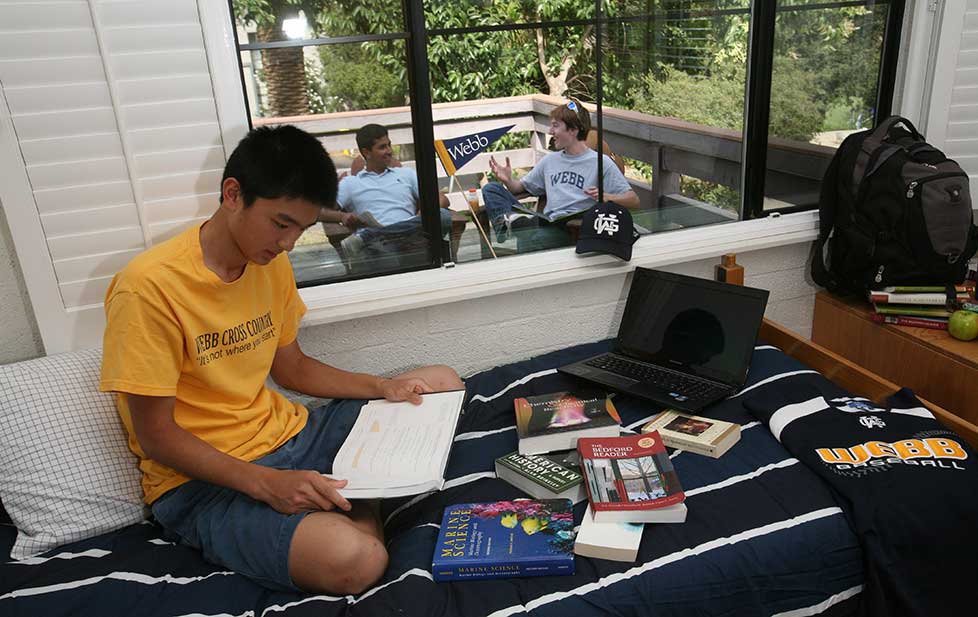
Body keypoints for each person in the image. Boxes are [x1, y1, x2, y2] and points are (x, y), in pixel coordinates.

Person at [98, 125, 464, 595]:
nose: (289, 243)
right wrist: (266, 484)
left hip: (292, 436)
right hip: (205, 483)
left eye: (303, 229)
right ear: (233, 194)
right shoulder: (147, 288)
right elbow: (157, 437)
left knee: (442, 380)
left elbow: (292, 370)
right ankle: (365, 498)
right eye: (281, 223)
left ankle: (353, 495)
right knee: (359, 561)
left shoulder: (270, 264)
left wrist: (382, 386)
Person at [483, 99, 639, 252]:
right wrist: (508, 180)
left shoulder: (600, 163)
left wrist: (607, 197)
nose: (551, 132)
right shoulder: (550, 160)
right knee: (491, 189)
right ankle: (511, 224)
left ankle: (518, 224)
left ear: (573, 130)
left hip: (571, 228)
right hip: (546, 222)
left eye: (555, 126)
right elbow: (520, 188)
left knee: (532, 238)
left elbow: (633, 200)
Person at [321, 124, 452, 265]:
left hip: (413, 236)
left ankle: (368, 236)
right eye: (382, 147)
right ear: (367, 152)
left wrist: (422, 214)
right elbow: (320, 211)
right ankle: (374, 236)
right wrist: (343, 216)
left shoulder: (406, 174)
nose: (389, 151)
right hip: (380, 246)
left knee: (443, 215)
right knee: (387, 260)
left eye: (389, 145)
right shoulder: (351, 183)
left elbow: (442, 199)